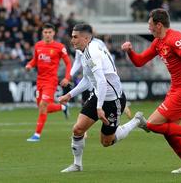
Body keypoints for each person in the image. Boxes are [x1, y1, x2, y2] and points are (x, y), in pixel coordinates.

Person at [59, 23, 148, 173]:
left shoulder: (92, 52)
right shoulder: (86, 51)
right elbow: (89, 79)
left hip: (113, 100)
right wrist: (69, 94)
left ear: (86, 38)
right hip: (99, 95)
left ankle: (136, 121)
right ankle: (77, 164)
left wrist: (99, 107)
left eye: (75, 37)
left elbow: (101, 81)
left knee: (107, 141)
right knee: (78, 129)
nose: (72, 40)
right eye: (72, 37)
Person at [121, 8, 181, 173]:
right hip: (176, 88)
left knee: (152, 124)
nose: (148, 28)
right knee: (169, 130)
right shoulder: (158, 42)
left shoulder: (175, 39)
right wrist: (130, 51)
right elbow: (139, 61)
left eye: (150, 25)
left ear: (159, 25)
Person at [25, 23, 72, 142]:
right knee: (42, 108)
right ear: (42, 33)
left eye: (50, 32)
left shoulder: (59, 47)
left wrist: (67, 78)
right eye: (45, 32)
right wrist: (29, 65)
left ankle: (37, 135)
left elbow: (68, 63)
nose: (47, 34)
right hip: (39, 81)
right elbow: (35, 60)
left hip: (51, 81)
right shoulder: (38, 45)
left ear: (54, 33)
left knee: (43, 105)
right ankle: (63, 107)